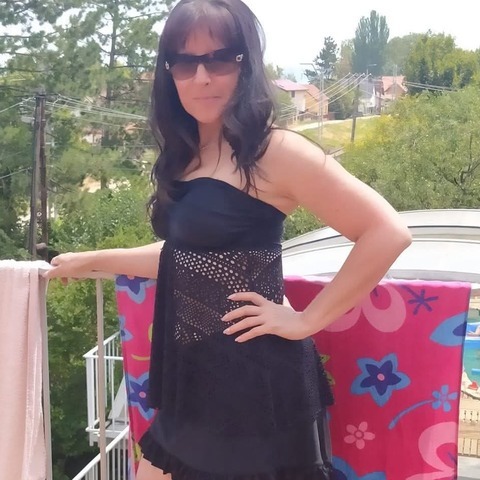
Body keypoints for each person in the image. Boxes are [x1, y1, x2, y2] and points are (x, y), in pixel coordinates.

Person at [44, 0, 412, 478]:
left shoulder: (274, 151)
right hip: (196, 379)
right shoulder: (190, 153)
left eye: (219, 59)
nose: (202, 77)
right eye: (185, 62)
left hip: (256, 389)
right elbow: (186, 257)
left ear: (245, 64)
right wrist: (91, 259)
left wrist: (306, 320)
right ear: (169, 73)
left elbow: (387, 232)